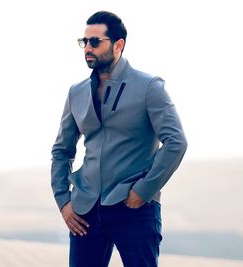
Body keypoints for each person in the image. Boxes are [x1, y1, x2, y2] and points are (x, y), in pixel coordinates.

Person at [51, 11, 187, 267]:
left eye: (95, 42)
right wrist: (64, 202)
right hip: (85, 211)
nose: (87, 48)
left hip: (133, 208)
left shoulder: (150, 87)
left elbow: (176, 142)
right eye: (84, 41)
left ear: (118, 45)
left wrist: (143, 191)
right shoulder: (76, 92)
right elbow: (61, 150)